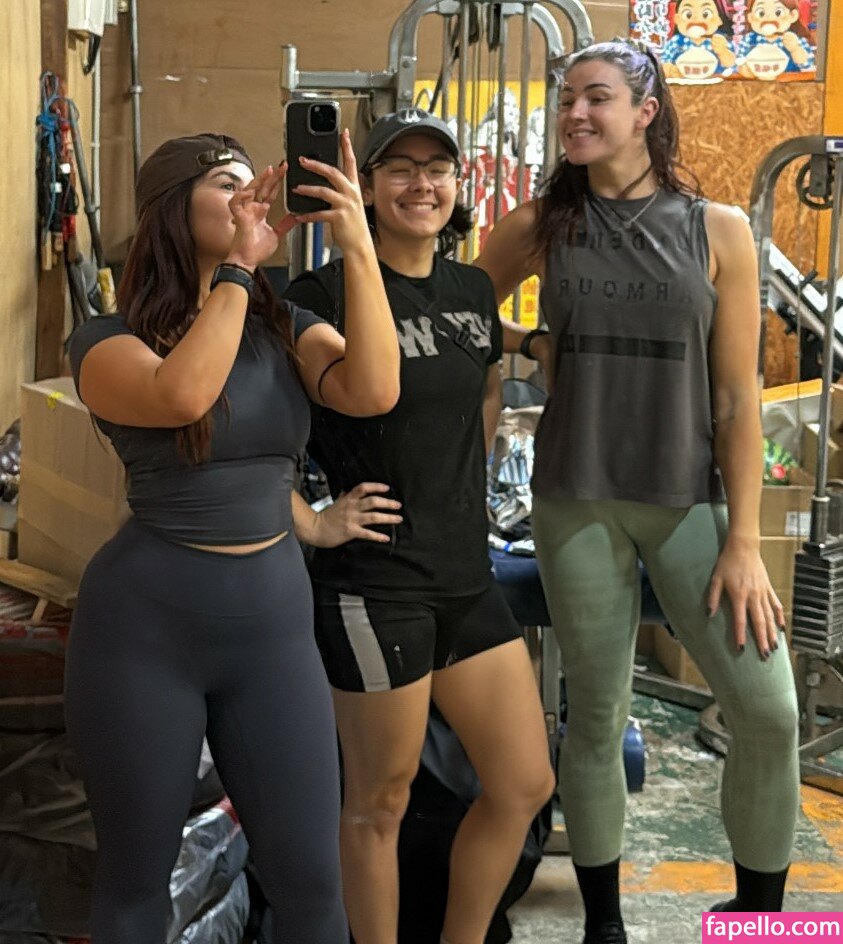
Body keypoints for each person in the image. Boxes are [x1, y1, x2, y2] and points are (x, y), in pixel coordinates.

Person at [475, 40, 800, 944]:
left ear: (644, 112)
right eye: (565, 100)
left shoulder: (716, 229)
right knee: (595, 715)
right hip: (575, 501)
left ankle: (757, 921)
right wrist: (525, 344)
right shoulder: (541, 224)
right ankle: (605, 928)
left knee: (769, 713)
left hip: (689, 500)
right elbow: (450, 308)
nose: (574, 114)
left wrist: (744, 541)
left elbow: (735, 398)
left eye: (596, 98)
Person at [64, 130, 399, 943]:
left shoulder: (284, 327)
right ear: (170, 209)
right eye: (225, 184)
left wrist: (358, 245)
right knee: (136, 885)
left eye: (256, 183)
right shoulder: (104, 340)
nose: (251, 198)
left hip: (272, 627)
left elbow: (373, 390)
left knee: (313, 889)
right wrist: (240, 272)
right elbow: (182, 396)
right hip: (145, 630)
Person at [283, 107, 556, 944]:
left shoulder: (470, 290)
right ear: (364, 186)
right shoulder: (313, 296)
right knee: (379, 803)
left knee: (523, 782)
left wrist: (539, 347)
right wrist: (308, 519)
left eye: (436, 168)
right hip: (376, 583)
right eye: (398, 168)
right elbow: (243, 426)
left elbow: (477, 377)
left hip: (464, 575)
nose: (421, 184)